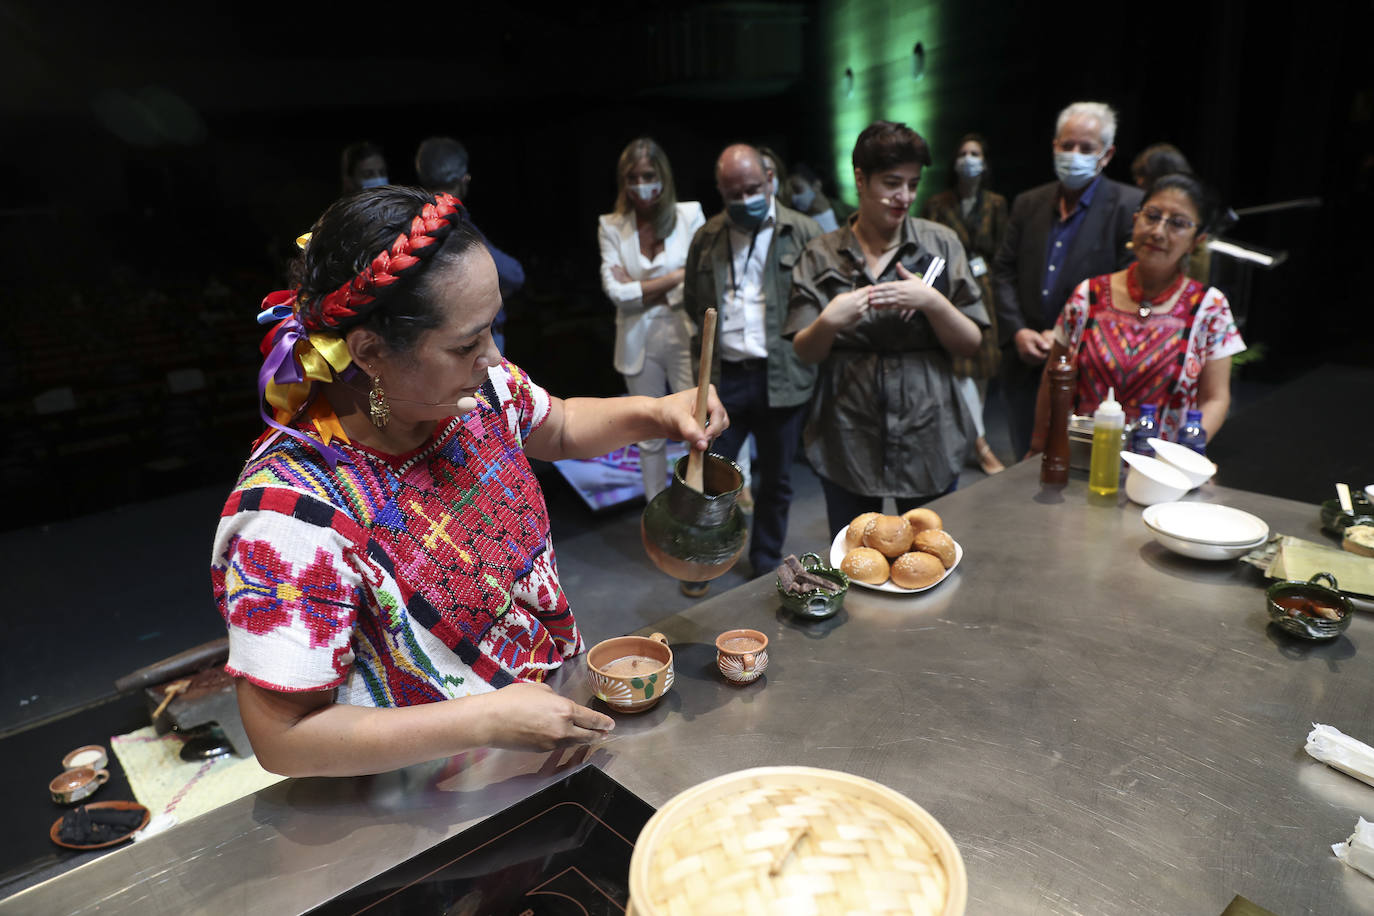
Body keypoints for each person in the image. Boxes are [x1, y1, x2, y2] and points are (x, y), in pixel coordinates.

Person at [212, 187, 726, 777]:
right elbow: (284, 740)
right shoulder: (291, 517)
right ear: (371, 351)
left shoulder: (472, 391)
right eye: (466, 343)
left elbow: (555, 427)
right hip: (425, 801)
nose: (492, 358)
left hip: (540, 732)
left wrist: (657, 413)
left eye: (490, 331)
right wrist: (483, 719)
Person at [786, 121, 987, 536]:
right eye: (892, 183)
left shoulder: (941, 244)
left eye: (913, 184)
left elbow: (972, 342)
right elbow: (805, 350)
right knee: (853, 551)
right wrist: (830, 321)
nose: (905, 197)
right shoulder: (822, 254)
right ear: (860, 179)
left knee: (930, 553)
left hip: (928, 428)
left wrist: (932, 303)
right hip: (847, 429)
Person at [682, 143, 822, 580]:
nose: (745, 201)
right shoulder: (707, 237)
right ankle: (707, 562)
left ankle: (764, 560)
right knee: (709, 479)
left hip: (781, 375)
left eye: (752, 190)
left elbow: (820, 302)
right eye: (733, 194)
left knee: (776, 481)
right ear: (721, 192)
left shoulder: (803, 231)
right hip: (725, 378)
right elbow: (692, 302)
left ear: (770, 181)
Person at [1028, 173, 1245, 452]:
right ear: (1135, 220)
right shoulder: (1088, 295)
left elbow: (1216, 398)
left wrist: (1184, 456)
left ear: (1196, 240)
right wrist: (1038, 444)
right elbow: (1052, 378)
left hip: (1162, 473)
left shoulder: (1210, 308)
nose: (1157, 231)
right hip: (1081, 459)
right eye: (1152, 216)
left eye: (1177, 223)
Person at [992, 102, 1143, 458]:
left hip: (1087, 370)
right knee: (1022, 466)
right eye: (1067, 145)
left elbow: (1127, 285)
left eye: (1086, 148)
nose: (1074, 155)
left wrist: (1063, 336)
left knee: (1074, 471)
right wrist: (1017, 330)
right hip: (1025, 361)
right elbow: (1003, 271)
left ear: (1106, 155)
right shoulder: (1028, 202)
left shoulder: (1128, 206)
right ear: (1055, 145)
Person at [597, 137, 705, 509]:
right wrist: (675, 276)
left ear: (663, 176)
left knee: (697, 428)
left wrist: (640, 288)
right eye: (633, 177)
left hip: (682, 333)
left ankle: (700, 507)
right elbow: (615, 291)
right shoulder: (611, 225)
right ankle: (656, 512)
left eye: (648, 175)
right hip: (638, 342)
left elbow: (698, 279)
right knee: (649, 436)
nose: (641, 184)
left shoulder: (690, 215)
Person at [920, 133, 1008, 475]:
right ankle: (982, 446)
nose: (969, 159)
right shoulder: (939, 203)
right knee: (961, 371)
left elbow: (1003, 252)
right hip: (951, 289)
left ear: (984, 163)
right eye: (963, 153)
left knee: (981, 372)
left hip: (985, 289)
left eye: (975, 153)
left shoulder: (996, 203)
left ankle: (972, 436)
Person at [416, 136, 525, 352]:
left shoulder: (410, 220)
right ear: (463, 178)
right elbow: (513, 274)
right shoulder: (453, 222)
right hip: (469, 343)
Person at [787, 162, 843, 232]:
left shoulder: (849, 214)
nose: (793, 197)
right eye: (789, 193)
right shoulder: (796, 225)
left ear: (817, 185)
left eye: (797, 189)